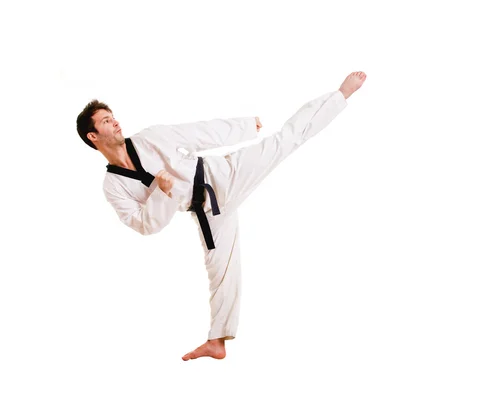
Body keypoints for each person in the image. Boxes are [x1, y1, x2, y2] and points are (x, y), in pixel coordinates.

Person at [76, 71, 367, 360]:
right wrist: (160, 192)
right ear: (93, 136)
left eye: (112, 116)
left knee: (285, 141)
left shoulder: (149, 138)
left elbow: (195, 133)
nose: (114, 121)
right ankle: (217, 342)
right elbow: (143, 225)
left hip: (224, 176)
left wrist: (243, 127)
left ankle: (340, 95)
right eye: (105, 121)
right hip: (205, 212)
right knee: (221, 271)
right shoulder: (113, 186)